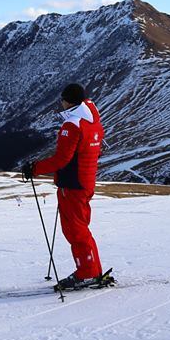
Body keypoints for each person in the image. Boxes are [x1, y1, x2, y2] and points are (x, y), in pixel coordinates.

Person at [22, 83, 112, 291]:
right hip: (85, 181)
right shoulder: (93, 121)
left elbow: (62, 159)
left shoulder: (72, 125)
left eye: (62, 99)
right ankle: (92, 269)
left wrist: (34, 168)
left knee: (75, 231)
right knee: (81, 228)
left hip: (72, 184)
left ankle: (87, 273)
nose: (61, 103)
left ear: (68, 101)